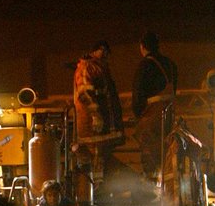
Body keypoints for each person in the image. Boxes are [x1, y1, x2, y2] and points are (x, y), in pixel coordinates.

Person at [72, 40, 124, 196]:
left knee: (100, 157)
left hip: (103, 127)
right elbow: (84, 93)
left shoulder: (99, 68)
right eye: (103, 51)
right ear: (95, 51)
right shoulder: (87, 67)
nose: (106, 55)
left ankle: (99, 190)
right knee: (95, 155)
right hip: (93, 127)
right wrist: (95, 115)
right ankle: (95, 192)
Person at [131, 31, 178, 185]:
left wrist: (139, 115)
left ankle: (151, 185)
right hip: (169, 114)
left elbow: (138, 95)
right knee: (166, 152)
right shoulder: (170, 64)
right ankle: (166, 184)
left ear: (142, 47)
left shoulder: (145, 65)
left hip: (151, 117)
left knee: (149, 151)